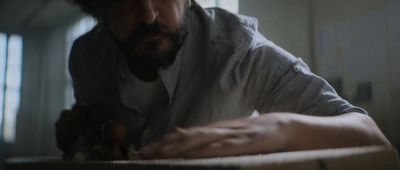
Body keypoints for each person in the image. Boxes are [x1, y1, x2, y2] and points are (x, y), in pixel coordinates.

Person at [56, 0, 391, 160]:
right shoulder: (86, 58)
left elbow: (375, 139)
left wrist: (283, 129)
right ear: (98, 10)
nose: (148, 14)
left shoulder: (239, 53)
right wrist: (86, 136)